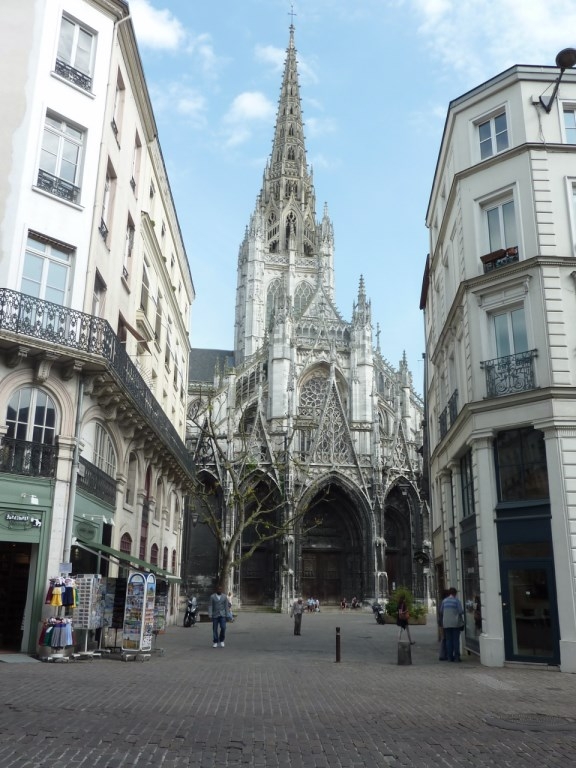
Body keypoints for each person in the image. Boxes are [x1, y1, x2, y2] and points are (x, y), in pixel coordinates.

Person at [440, 587, 465, 662]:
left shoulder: (444, 601)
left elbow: (441, 611)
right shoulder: (456, 601)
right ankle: (457, 657)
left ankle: (450, 657)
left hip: (446, 623)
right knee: (455, 640)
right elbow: (460, 611)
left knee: (448, 640)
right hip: (455, 623)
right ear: (455, 593)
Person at [438, 589, 449, 660]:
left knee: (443, 638)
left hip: (441, 622)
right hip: (444, 621)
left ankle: (442, 654)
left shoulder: (441, 602)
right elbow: (442, 612)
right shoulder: (444, 602)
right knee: (445, 638)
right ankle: (443, 654)